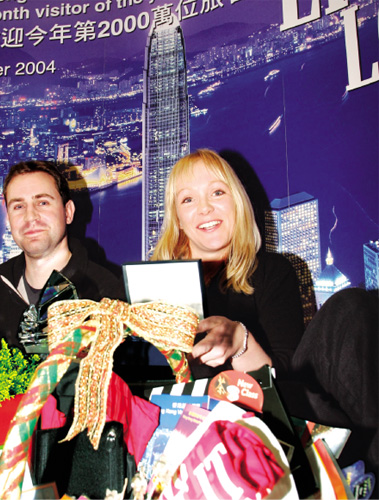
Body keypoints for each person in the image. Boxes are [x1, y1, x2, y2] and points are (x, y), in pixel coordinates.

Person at [152, 149, 378, 481]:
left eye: (217, 192)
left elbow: (289, 376)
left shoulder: (273, 271)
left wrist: (239, 339)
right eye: (188, 200)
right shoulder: (156, 292)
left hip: (283, 417)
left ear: (237, 203)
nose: (204, 208)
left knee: (350, 308)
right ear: (178, 219)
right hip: (199, 437)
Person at [0, 160, 126, 351]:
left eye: (42, 203)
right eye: (18, 206)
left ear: (68, 212)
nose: (30, 217)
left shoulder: (109, 295)